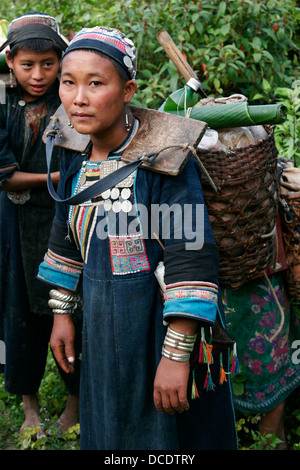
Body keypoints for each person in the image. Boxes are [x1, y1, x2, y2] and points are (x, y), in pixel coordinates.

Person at [38, 26, 238, 450]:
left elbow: (190, 253)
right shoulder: (73, 155)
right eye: (69, 83)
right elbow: (66, 235)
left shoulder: (163, 162)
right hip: (103, 325)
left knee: (172, 435)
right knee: (111, 427)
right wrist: (61, 312)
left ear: (127, 89)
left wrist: (176, 354)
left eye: (96, 83)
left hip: (156, 327)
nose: (79, 98)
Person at [0, 12, 81, 435]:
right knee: (18, 312)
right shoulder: (1, 100)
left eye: (48, 64)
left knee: (69, 305)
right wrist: (59, 178)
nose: (38, 74)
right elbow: (4, 175)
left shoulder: (69, 98)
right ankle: (29, 405)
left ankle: (75, 401)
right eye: (27, 65)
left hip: (63, 220)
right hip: (12, 223)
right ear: (10, 60)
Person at [223, 216, 300, 449]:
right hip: (216, 272)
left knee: (272, 362)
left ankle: (270, 442)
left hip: (264, 264)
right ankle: (270, 442)